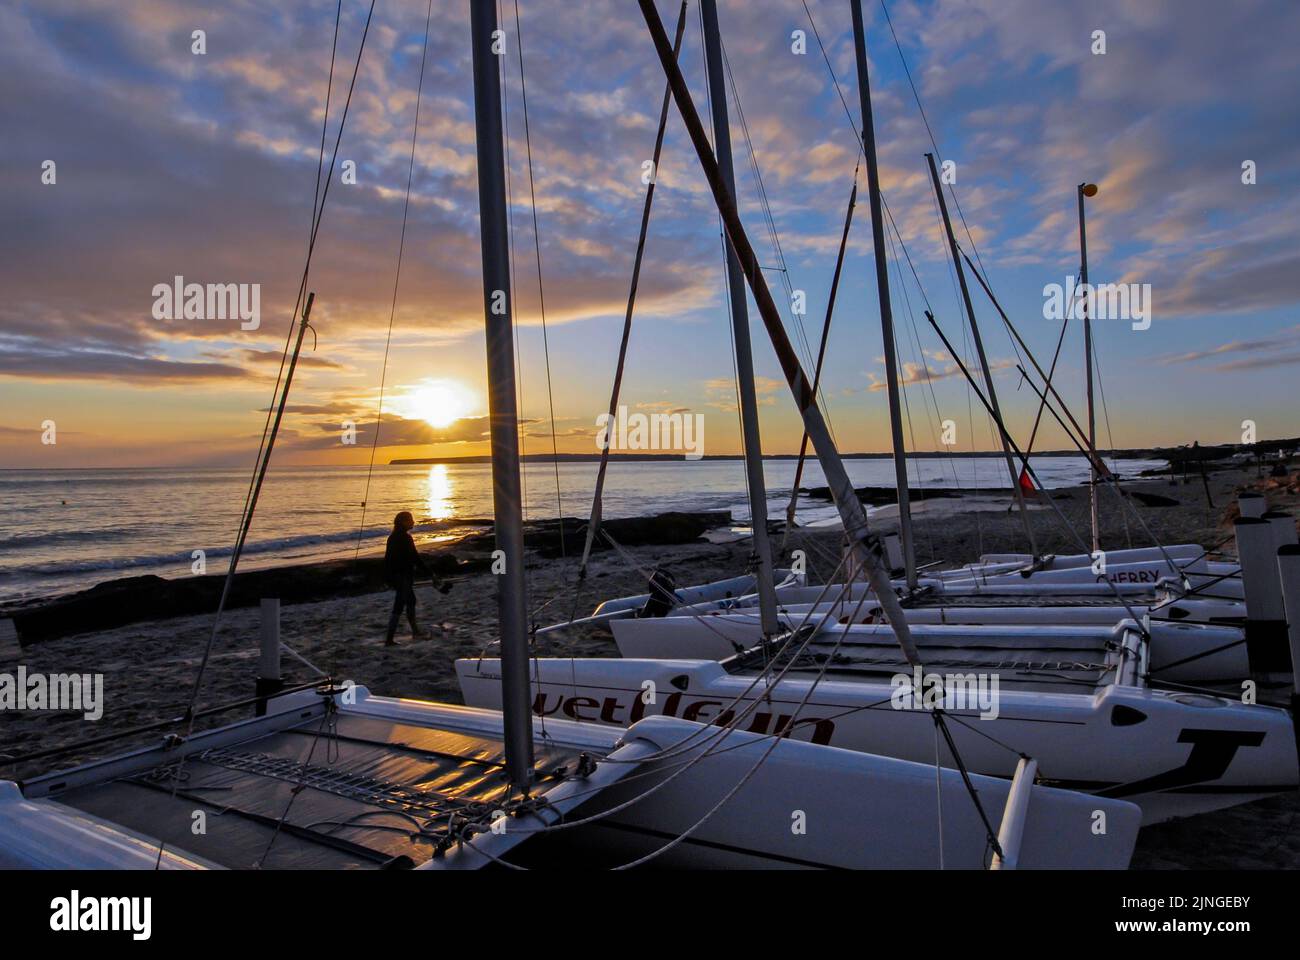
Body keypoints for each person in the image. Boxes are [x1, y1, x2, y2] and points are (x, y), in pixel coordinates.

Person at [384, 511, 431, 645]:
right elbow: (415, 558)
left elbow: (387, 560)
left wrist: (387, 577)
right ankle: (389, 639)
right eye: (410, 520)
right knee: (399, 605)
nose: (413, 522)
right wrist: (430, 573)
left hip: (397, 575)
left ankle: (415, 631)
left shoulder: (392, 537)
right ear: (403, 522)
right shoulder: (405, 538)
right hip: (402, 576)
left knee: (411, 601)